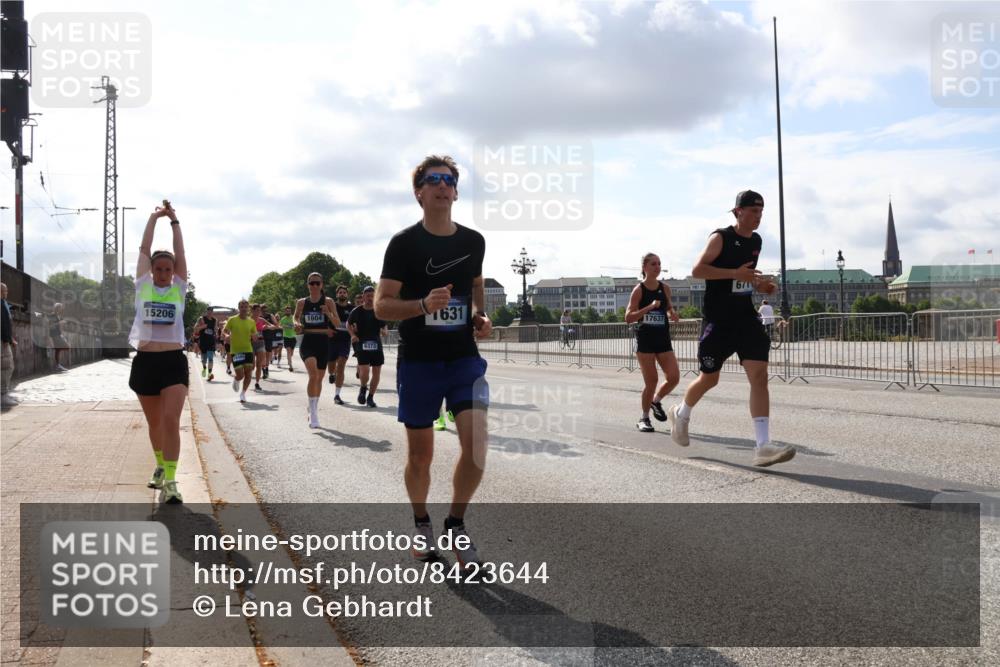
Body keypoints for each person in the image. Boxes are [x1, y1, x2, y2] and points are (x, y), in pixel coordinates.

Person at [375, 155, 492, 570]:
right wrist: (423, 305)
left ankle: (456, 525)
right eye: (434, 180)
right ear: (419, 192)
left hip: (463, 358)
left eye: (450, 180)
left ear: (456, 192)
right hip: (420, 361)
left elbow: (475, 283)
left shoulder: (473, 242)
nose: (443, 186)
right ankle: (421, 522)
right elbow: (381, 306)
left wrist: (479, 314)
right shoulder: (404, 244)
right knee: (420, 457)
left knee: (477, 446)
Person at [668, 190, 795, 467]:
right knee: (709, 378)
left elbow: (745, 279)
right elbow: (698, 270)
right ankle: (682, 413)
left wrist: (761, 286)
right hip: (719, 321)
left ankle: (763, 446)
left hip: (745, 319)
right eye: (753, 211)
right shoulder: (720, 237)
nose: (758, 216)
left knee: (759, 376)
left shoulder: (757, 241)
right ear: (738, 212)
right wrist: (734, 273)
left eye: (761, 212)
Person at [127, 201, 189, 504]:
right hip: (146, 361)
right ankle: (161, 466)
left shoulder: (178, 288)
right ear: (151, 270)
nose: (164, 273)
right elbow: (143, 248)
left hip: (173, 361)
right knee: (155, 425)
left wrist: (174, 221)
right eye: (159, 269)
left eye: (168, 269)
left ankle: (172, 481)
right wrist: (153, 217)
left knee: (170, 420)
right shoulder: (142, 286)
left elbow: (181, 253)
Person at [625, 253, 680, 432]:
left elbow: (669, 306)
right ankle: (644, 418)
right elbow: (628, 317)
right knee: (652, 381)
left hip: (663, 339)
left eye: (659, 264)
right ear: (645, 268)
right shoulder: (639, 290)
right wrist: (649, 307)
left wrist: (672, 313)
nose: (657, 267)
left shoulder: (665, 288)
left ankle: (655, 401)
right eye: (653, 264)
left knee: (673, 377)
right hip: (645, 341)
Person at [294, 273, 341, 428]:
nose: (314, 286)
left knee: (319, 379)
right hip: (308, 342)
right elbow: (296, 317)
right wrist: (297, 324)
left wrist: (327, 313)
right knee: (313, 374)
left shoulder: (328, 301)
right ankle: (313, 413)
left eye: (317, 283)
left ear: (322, 285)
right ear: (307, 284)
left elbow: (337, 323)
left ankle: (313, 406)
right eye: (311, 283)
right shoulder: (302, 302)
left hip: (323, 343)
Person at [348, 285, 387, 407]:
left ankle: (370, 397)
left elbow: (384, 325)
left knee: (376, 373)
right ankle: (363, 387)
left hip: (376, 344)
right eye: (368, 295)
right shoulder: (357, 311)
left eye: (372, 295)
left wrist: (385, 331)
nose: (370, 298)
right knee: (364, 371)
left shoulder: (378, 310)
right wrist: (352, 335)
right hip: (362, 344)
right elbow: (348, 325)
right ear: (363, 296)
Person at [224, 300, 258, 403]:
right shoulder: (232, 320)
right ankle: (236, 379)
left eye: (245, 307)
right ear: (239, 308)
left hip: (248, 349)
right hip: (236, 351)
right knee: (241, 375)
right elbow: (224, 331)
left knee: (249, 373)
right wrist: (226, 336)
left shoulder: (251, 322)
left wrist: (255, 336)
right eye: (242, 307)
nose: (244, 308)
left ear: (248, 309)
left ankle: (243, 393)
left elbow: (254, 335)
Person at [328, 285, 354, 405]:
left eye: (344, 292)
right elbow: (326, 321)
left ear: (347, 294)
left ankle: (337, 394)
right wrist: (328, 330)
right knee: (331, 364)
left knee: (341, 365)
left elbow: (356, 323)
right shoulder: (333, 306)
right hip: (332, 340)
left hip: (345, 341)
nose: (342, 294)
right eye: (340, 292)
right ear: (337, 295)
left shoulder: (352, 308)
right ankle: (331, 374)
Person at [1, 282, 18, 408]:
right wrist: (7, 340)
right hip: (2, 341)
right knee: (7, 367)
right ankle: (3, 395)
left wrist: (10, 338)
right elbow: (3, 323)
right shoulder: (1, 304)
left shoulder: (3, 303)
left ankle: (4, 393)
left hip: (4, 339)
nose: (7, 293)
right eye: (5, 291)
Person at [193, 306, 218, 381]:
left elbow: (215, 330)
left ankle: (209, 374)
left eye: (211, 311)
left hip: (211, 342)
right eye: (208, 311)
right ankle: (204, 368)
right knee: (204, 359)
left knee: (210, 358)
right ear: (206, 311)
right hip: (203, 342)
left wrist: (215, 332)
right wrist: (202, 327)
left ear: (212, 312)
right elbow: (195, 329)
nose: (210, 312)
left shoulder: (214, 320)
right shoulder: (201, 319)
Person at [49, 303, 70, 372]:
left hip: (58, 334)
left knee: (58, 350)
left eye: (61, 308)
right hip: (54, 335)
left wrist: (62, 334)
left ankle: (58, 366)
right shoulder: (52, 315)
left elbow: (61, 325)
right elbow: (51, 325)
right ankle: (57, 365)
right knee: (66, 346)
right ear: (56, 308)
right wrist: (59, 323)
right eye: (60, 308)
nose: (61, 309)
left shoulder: (58, 316)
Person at [279, 305, 297, 372]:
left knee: (291, 353)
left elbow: (297, 324)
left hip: (293, 337)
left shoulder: (293, 318)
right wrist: (283, 326)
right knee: (288, 351)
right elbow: (280, 326)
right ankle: (290, 365)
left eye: (289, 311)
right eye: (287, 311)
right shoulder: (283, 319)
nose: (288, 312)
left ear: (291, 311)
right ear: (285, 311)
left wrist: (295, 326)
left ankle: (289, 360)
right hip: (286, 337)